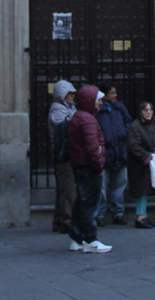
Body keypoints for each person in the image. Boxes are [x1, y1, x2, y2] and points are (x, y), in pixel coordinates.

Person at [66, 85, 112, 253]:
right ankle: (90, 239)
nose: (100, 103)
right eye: (98, 100)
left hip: (80, 166)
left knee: (82, 202)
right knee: (89, 204)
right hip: (88, 168)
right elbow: (93, 148)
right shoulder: (88, 120)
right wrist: (99, 165)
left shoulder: (79, 117)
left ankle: (76, 237)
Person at [95, 82, 132, 226]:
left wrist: (124, 132)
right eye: (112, 93)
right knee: (102, 187)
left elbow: (128, 120)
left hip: (120, 150)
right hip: (105, 152)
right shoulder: (98, 109)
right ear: (104, 95)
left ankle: (118, 213)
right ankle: (100, 214)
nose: (115, 95)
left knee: (119, 184)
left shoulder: (119, 107)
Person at [125, 101, 155, 228]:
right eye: (145, 110)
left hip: (147, 164)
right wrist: (148, 156)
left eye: (151, 110)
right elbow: (134, 146)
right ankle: (140, 217)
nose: (148, 112)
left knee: (145, 191)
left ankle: (144, 216)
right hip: (139, 165)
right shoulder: (136, 126)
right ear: (140, 112)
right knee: (140, 191)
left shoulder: (152, 125)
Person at [47, 80, 77, 234]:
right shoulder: (58, 111)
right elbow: (66, 130)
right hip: (64, 155)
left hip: (65, 154)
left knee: (64, 189)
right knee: (68, 189)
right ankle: (66, 220)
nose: (72, 96)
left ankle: (60, 220)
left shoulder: (67, 109)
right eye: (69, 93)